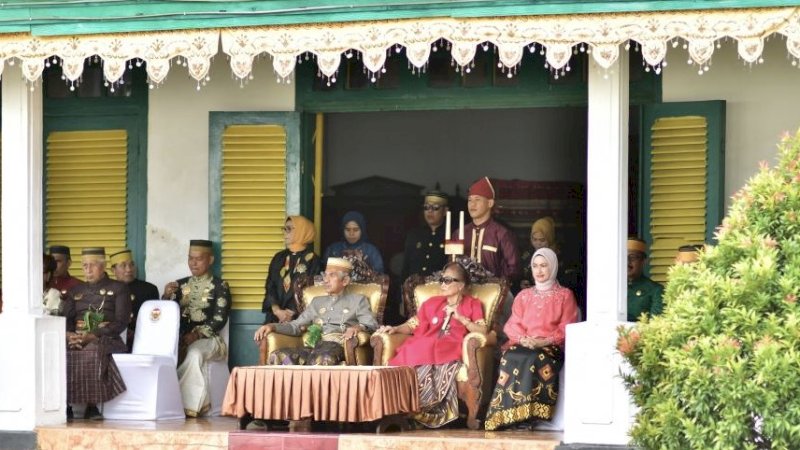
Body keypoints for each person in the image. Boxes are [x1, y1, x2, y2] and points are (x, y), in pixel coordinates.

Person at [378, 261, 487, 428]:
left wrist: (461, 319)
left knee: (427, 346)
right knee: (415, 347)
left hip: (451, 345)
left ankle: (422, 411)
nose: (442, 284)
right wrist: (395, 328)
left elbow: (482, 330)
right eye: (442, 280)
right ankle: (399, 407)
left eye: (448, 280)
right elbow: (413, 324)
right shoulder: (433, 302)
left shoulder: (472, 304)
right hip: (425, 343)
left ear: (461, 285)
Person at [484, 248, 579, 431]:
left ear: (553, 267)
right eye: (535, 266)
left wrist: (543, 341)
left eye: (544, 266)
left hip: (550, 347)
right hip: (523, 343)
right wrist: (524, 339)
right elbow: (512, 324)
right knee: (510, 357)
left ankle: (530, 415)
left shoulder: (565, 295)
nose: (539, 270)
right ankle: (506, 416)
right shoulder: (523, 295)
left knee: (533, 359)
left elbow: (567, 327)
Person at [253, 257, 378, 366]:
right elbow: (296, 326)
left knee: (322, 358)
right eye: (325, 275)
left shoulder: (357, 300)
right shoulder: (317, 302)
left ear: (345, 281)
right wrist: (272, 326)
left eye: (332, 275)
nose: (326, 280)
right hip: (315, 346)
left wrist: (357, 327)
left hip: (337, 347)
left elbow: (371, 325)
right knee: (279, 356)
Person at [163, 239, 231, 417]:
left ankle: (187, 406)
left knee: (194, 354)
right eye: (190, 258)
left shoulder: (219, 286)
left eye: (199, 259)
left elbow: (219, 318)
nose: (193, 263)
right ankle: (197, 402)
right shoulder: (180, 285)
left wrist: (198, 334)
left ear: (210, 260)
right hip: (182, 338)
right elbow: (169, 315)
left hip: (210, 340)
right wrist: (165, 296)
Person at [62, 247, 131, 421]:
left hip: (108, 338)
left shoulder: (119, 289)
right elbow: (65, 321)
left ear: (103, 266)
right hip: (78, 337)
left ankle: (92, 406)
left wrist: (93, 335)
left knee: (92, 349)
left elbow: (121, 322)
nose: (88, 270)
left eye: (92, 266)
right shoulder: (75, 291)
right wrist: (69, 335)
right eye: (85, 266)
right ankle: (65, 405)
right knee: (57, 351)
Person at [261, 216, 320, 326]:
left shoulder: (313, 259)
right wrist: (277, 310)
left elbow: (312, 289)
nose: (285, 233)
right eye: (284, 229)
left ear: (302, 231)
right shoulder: (279, 257)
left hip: (300, 317)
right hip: (275, 316)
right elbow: (270, 285)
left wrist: (292, 312)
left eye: (289, 229)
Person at [462, 177, 520, 282]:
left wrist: (496, 282)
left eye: (477, 199)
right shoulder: (459, 233)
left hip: (494, 293)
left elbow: (513, 269)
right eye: (470, 200)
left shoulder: (502, 234)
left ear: (490, 203)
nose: (472, 204)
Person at [109, 249, 160, 352]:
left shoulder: (149, 289)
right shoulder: (108, 290)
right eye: (123, 265)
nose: (129, 269)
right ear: (113, 270)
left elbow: (155, 318)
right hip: (114, 339)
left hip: (143, 339)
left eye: (131, 265)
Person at [401, 191, 449, 281]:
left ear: (445, 211)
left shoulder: (451, 235)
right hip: (414, 289)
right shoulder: (414, 235)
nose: (430, 211)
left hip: (438, 290)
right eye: (426, 207)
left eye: (435, 208)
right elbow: (406, 268)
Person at [627, 237, 664, 322]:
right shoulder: (611, 288)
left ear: (643, 261)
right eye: (623, 257)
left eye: (632, 257)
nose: (627, 262)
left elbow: (655, 324)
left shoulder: (656, 291)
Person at [519, 216, 558, 290]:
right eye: (535, 239)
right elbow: (522, 275)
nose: (538, 243)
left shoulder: (557, 257)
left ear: (549, 238)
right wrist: (523, 283)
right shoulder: (527, 255)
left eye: (542, 240)